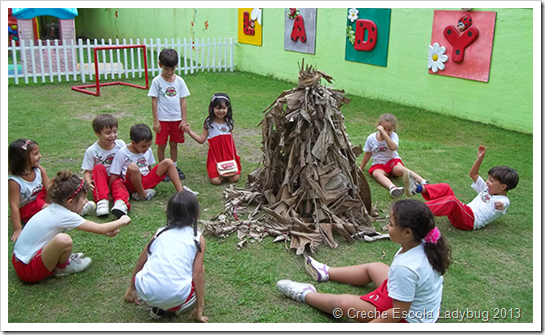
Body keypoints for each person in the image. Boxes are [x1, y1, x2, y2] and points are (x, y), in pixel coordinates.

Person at [276, 199, 452, 323]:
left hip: (407, 320)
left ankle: (305, 294)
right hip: (411, 302)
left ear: (407, 232)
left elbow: (397, 313)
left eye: (390, 224)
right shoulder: (425, 242)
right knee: (375, 268)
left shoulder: (406, 268)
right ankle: (326, 272)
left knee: (342, 305)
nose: (386, 227)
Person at [12, 170, 131, 283]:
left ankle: (62, 259)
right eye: (83, 198)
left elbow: (101, 231)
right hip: (27, 270)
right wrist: (122, 220)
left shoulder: (53, 208)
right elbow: (101, 228)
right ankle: (62, 267)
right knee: (63, 240)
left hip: (20, 259)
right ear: (70, 202)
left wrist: (106, 232)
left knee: (60, 237)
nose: (86, 202)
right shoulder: (63, 215)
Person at [124, 191, 208, 322]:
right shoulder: (197, 239)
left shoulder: (159, 233)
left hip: (145, 290)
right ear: (196, 215)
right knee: (200, 269)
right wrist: (200, 307)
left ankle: (159, 305)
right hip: (176, 295)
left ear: (168, 213)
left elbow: (142, 260)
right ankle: (171, 307)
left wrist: (132, 288)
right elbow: (197, 275)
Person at [403, 145, 519, 230]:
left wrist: (502, 205)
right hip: (462, 214)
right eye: (488, 179)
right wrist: (479, 159)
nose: (487, 182)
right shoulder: (486, 189)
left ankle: (414, 212)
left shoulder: (504, 200)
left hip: (470, 221)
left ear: (503, 186)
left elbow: (504, 205)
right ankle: (416, 188)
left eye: (492, 181)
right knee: (445, 188)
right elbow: (473, 174)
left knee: (452, 201)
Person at [8, 139, 94, 242]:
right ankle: (75, 212)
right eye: (36, 154)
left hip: (41, 198)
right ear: (23, 159)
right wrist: (18, 229)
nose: (40, 156)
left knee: (56, 186)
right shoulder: (14, 181)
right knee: (47, 207)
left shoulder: (39, 170)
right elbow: (14, 206)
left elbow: (50, 189)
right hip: (28, 208)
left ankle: (75, 205)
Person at [109, 123, 196, 202]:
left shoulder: (148, 150)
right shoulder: (122, 153)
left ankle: (181, 192)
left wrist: (151, 178)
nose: (147, 148)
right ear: (133, 143)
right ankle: (142, 194)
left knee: (168, 162)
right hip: (133, 183)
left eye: (149, 144)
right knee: (133, 167)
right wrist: (110, 192)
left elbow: (149, 166)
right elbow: (115, 174)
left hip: (146, 179)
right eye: (143, 146)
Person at [359, 113, 428, 198]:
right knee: (376, 174)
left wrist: (384, 134)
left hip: (392, 162)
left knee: (401, 169)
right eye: (384, 129)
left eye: (389, 130)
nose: (387, 132)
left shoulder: (393, 136)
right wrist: (361, 168)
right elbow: (368, 153)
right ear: (378, 126)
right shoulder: (371, 138)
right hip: (379, 165)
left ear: (393, 130)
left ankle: (423, 182)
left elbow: (393, 148)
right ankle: (393, 188)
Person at [148, 48, 190, 183]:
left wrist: (183, 119)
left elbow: (183, 100)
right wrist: (156, 120)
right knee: (161, 144)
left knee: (174, 143)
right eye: (166, 69)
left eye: (172, 69)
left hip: (176, 120)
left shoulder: (179, 81)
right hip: (163, 120)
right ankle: (162, 167)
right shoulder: (157, 81)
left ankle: (174, 166)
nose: (169, 72)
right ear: (160, 65)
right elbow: (154, 100)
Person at [81, 114, 131, 218]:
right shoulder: (92, 151)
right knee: (98, 168)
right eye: (108, 133)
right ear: (97, 133)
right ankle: (102, 202)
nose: (112, 135)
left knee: (119, 184)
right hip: (101, 179)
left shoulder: (121, 145)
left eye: (115, 131)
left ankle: (120, 204)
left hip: (116, 176)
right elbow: (87, 171)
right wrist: (88, 181)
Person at [185, 93, 241, 185]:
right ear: (212, 108)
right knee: (216, 181)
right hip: (216, 155)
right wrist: (189, 131)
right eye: (218, 108)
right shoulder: (209, 123)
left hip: (228, 155)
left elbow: (230, 140)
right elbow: (201, 139)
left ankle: (225, 172)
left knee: (234, 178)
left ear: (228, 109)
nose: (221, 111)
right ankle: (220, 172)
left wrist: (235, 153)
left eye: (224, 108)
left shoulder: (229, 122)